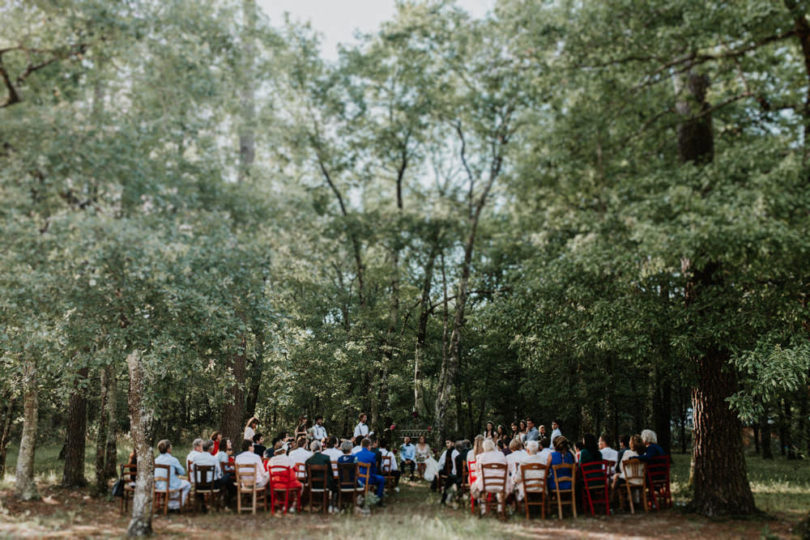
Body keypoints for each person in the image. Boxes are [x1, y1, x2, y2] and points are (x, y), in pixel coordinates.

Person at [471, 439, 508, 513]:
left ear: (484, 447)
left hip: (485, 485)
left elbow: (477, 473)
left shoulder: (480, 457)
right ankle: (500, 508)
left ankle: (483, 509)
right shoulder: (501, 455)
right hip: (501, 485)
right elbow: (506, 469)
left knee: (477, 485)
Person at [154, 440, 191, 510]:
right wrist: (176, 471)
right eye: (171, 447)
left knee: (175, 482)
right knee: (187, 484)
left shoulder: (156, 460)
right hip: (170, 485)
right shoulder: (173, 460)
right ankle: (176, 505)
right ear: (168, 449)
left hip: (158, 485)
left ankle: (169, 503)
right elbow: (182, 472)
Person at [268, 441, 302, 513]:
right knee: (300, 485)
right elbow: (297, 469)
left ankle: (283, 505)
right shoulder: (289, 459)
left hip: (275, 484)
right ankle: (293, 505)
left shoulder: (271, 461)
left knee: (287, 488)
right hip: (287, 484)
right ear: (284, 450)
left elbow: (269, 471)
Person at [191, 439, 224, 512]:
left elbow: (193, 470)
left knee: (201, 483)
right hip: (211, 485)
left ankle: (202, 504)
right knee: (222, 481)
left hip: (199, 485)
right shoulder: (214, 459)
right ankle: (218, 504)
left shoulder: (196, 458)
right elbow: (219, 472)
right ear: (211, 448)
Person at [305, 440, 337, 512]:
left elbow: (307, 474)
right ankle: (331, 505)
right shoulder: (326, 458)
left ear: (311, 449)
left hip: (313, 485)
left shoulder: (308, 461)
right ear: (320, 448)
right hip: (326, 484)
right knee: (335, 484)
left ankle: (316, 504)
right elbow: (331, 472)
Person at [356, 438, 385, 505]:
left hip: (358, 479)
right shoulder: (372, 455)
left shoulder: (356, 455)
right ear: (369, 446)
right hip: (369, 478)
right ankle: (378, 498)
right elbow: (374, 468)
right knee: (382, 479)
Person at [437, 439, 460, 504]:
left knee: (442, 473)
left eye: (448, 443)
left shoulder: (448, 452)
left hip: (453, 473)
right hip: (455, 473)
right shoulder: (456, 453)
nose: (447, 445)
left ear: (453, 443)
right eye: (446, 443)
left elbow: (441, 462)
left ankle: (444, 498)